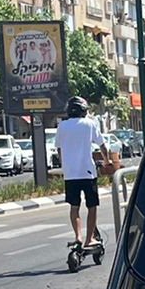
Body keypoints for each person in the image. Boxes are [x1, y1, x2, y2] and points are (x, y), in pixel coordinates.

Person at [55, 96, 107, 247]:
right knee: (92, 206)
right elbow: (102, 146)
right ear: (83, 110)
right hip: (88, 172)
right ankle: (89, 238)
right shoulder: (90, 124)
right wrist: (107, 161)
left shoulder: (62, 126)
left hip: (70, 174)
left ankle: (78, 236)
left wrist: (65, 164)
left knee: (74, 207)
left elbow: (59, 149)